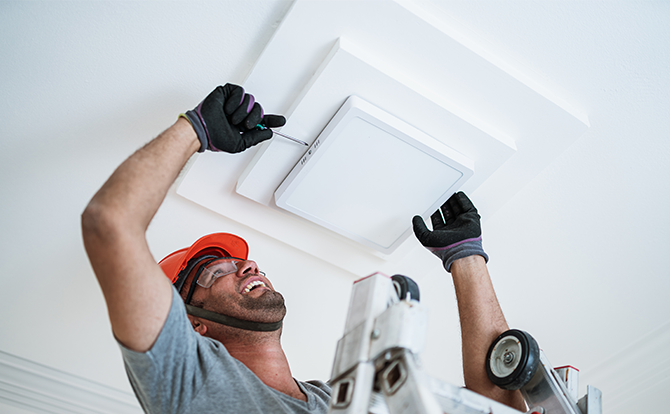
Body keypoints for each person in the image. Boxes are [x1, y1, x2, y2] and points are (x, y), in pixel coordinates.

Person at [81, 84, 526, 413]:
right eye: (216, 273)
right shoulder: (190, 381)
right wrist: (195, 130)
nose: (246, 266)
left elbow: (500, 404)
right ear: (194, 325)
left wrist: (465, 258)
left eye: (241, 261)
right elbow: (109, 224)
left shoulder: (343, 397)